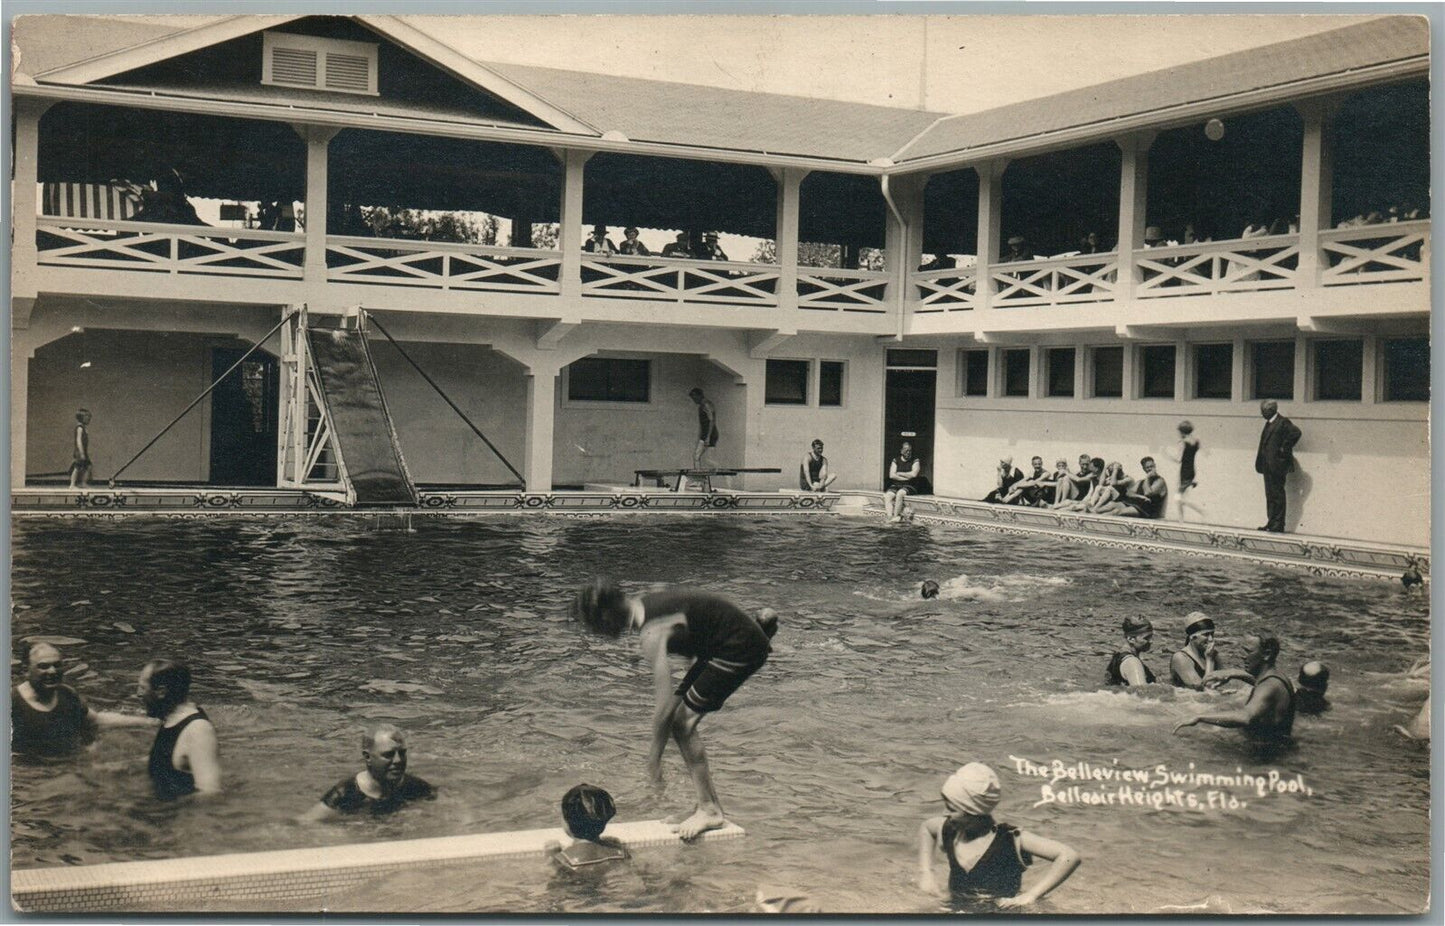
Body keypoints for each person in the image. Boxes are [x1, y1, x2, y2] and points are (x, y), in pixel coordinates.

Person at [570, 581, 776, 840]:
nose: (597, 632)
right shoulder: (647, 604)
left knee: (682, 724)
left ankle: (709, 810)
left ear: (607, 615)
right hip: (726, 642)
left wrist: (653, 760)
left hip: (739, 647)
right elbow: (698, 621)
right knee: (680, 721)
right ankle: (704, 805)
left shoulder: (650, 634)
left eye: (594, 625)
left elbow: (664, 704)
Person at [917, 762, 1080, 909]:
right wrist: (926, 872)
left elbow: (1068, 856)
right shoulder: (949, 830)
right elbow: (926, 828)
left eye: (952, 809)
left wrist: (1031, 896)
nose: (945, 813)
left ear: (974, 811)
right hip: (956, 909)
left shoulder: (1010, 839)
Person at [12, 641, 154, 756]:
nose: (52, 671)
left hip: (67, 763)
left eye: (57, 665)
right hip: (31, 772)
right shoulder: (12, 703)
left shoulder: (67, 694)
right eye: (43, 666)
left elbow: (96, 720)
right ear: (26, 669)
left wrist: (148, 722)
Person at [1174, 632, 1296, 744]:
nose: (1243, 657)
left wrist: (1199, 717)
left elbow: (1245, 717)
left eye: (1248, 651)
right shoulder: (1275, 677)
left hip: (1266, 756)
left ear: (1267, 654)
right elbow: (1260, 684)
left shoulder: (1269, 686)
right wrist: (1234, 673)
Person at [301, 723, 436, 820]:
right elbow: (303, 823)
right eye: (388, 755)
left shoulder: (417, 788)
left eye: (402, 753)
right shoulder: (344, 795)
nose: (398, 761)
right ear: (367, 757)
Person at [139, 659, 222, 799]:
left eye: (142, 688)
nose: (138, 694)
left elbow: (210, 794)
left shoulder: (198, 730)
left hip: (179, 816)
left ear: (161, 692)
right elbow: (168, 759)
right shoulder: (171, 719)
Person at [548, 784, 630, 869]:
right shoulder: (620, 853)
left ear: (567, 822)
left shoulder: (563, 860)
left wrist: (552, 854)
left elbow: (555, 879)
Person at [1169, 613, 1254, 691]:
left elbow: (1223, 682)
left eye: (1212, 634)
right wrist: (1210, 660)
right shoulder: (1181, 658)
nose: (1211, 639)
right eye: (1206, 635)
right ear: (1192, 637)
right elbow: (1205, 692)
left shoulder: (1213, 653)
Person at [1255, 400, 1302, 533]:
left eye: (1263, 411)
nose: (1262, 414)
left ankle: (1278, 524)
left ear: (1271, 410)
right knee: (1270, 495)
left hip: (1277, 466)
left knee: (1277, 495)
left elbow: (1296, 433)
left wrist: (1283, 449)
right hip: (1267, 465)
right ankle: (1271, 522)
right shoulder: (1269, 423)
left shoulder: (1282, 422)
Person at [1096, 456, 1168, 518]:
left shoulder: (1160, 481)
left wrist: (1147, 478)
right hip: (1137, 504)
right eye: (1147, 467)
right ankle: (1094, 512)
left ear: (1155, 466)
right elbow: (1129, 493)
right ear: (1144, 469)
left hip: (1148, 510)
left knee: (1117, 512)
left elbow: (1148, 492)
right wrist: (1140, 496)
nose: (1150, 469)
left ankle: (1097, 523)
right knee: (1111, 505)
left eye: (1151, 466)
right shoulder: (1141, 482)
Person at [1105, 616, 1157, 686]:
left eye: (1151, 637)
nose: (1151, 641)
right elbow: (1141, 693)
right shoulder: (1132, 662)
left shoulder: (1118, 657)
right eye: (1147, 638)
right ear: (1130, 639)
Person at [1170, 420, 1202, 520]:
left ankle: (1200, 510)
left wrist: (1167, 455)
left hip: (1184, 471)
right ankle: (1181, 519)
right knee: (1181, 496)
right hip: (1191, 471)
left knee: (1178, 497)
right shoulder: (1196, 442)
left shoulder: (1183, 443)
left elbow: (1178, 459)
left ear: (1182, 432)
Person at [884, 441, 922, 523]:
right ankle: (890, 517)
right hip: (897, 484)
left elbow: (914, 474)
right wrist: (906, 477)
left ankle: (896, 516)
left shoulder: (915, 460)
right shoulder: (896, 460)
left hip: (911, 485)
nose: (908, 452)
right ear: (901, 451)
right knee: (888, 496)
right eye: (906, 450)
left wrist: (900, 473)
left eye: (910, 450)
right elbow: (892, 475)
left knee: (900, 494)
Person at [688, 387, 719, 470]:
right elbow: (703, 424)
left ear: (699, 396)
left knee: (697, 457)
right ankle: (700, 480)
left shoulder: (706, 405)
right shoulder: (702, 406)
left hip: (709, 434)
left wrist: (708, 437)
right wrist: (700, 437)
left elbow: (711, 421)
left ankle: (699, 480)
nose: (694, 400)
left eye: (694, 398)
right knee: (705, 459)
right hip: (707, 434)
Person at [69, 408, 92, 488]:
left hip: (84, 451)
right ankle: (72, 484)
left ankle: (82, 482)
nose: (89, 419)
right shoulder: (79, 428)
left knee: (88, 466)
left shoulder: (84, 428)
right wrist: (81, 452)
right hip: (79, 451)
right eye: (87, 417)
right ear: (82, 417)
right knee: (77, 467)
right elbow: (78, 440)